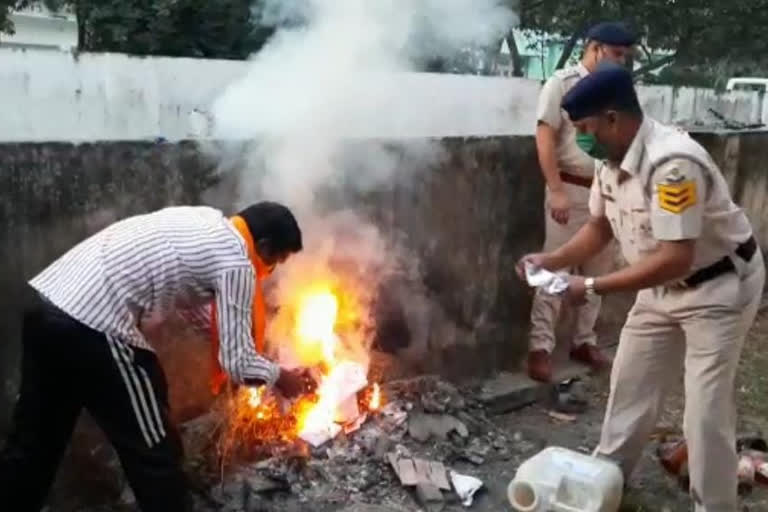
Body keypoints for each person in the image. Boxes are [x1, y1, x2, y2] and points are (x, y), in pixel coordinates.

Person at [517, 63, 765, 511]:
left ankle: (713, 505)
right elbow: (599, 226)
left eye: (585, 128)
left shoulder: (672, 166)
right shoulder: (610, 160)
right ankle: (605, 478)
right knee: (630, 382)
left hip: (717, 288)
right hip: (660, 289)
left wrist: (589, 285)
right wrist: (551, 260)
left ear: (613, 118)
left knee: (705, 412)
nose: (581, 138)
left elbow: (676, 257)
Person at [0, 202, 312, 512]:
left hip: (46, 309)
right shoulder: (238, 262)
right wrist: (281, 377)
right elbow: (236, 362)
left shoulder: (204, 221)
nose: (269, 272)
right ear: (264, 246)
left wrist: (255, 358)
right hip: (95, 325)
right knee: (156, 453)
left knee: (32, 447)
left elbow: (191, 304)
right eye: (275, 262)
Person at [527, 21, 636, 382]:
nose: (621, 61)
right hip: (570, 186)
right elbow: (545, 137)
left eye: (625, 56)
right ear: (595, 48)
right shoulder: (562, 83)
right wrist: (555, 188)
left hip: (605, 187)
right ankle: (540, 347)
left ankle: (583, 340)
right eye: (616, 54)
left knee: (598, 270)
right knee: (555, 268)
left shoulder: (616, 90)